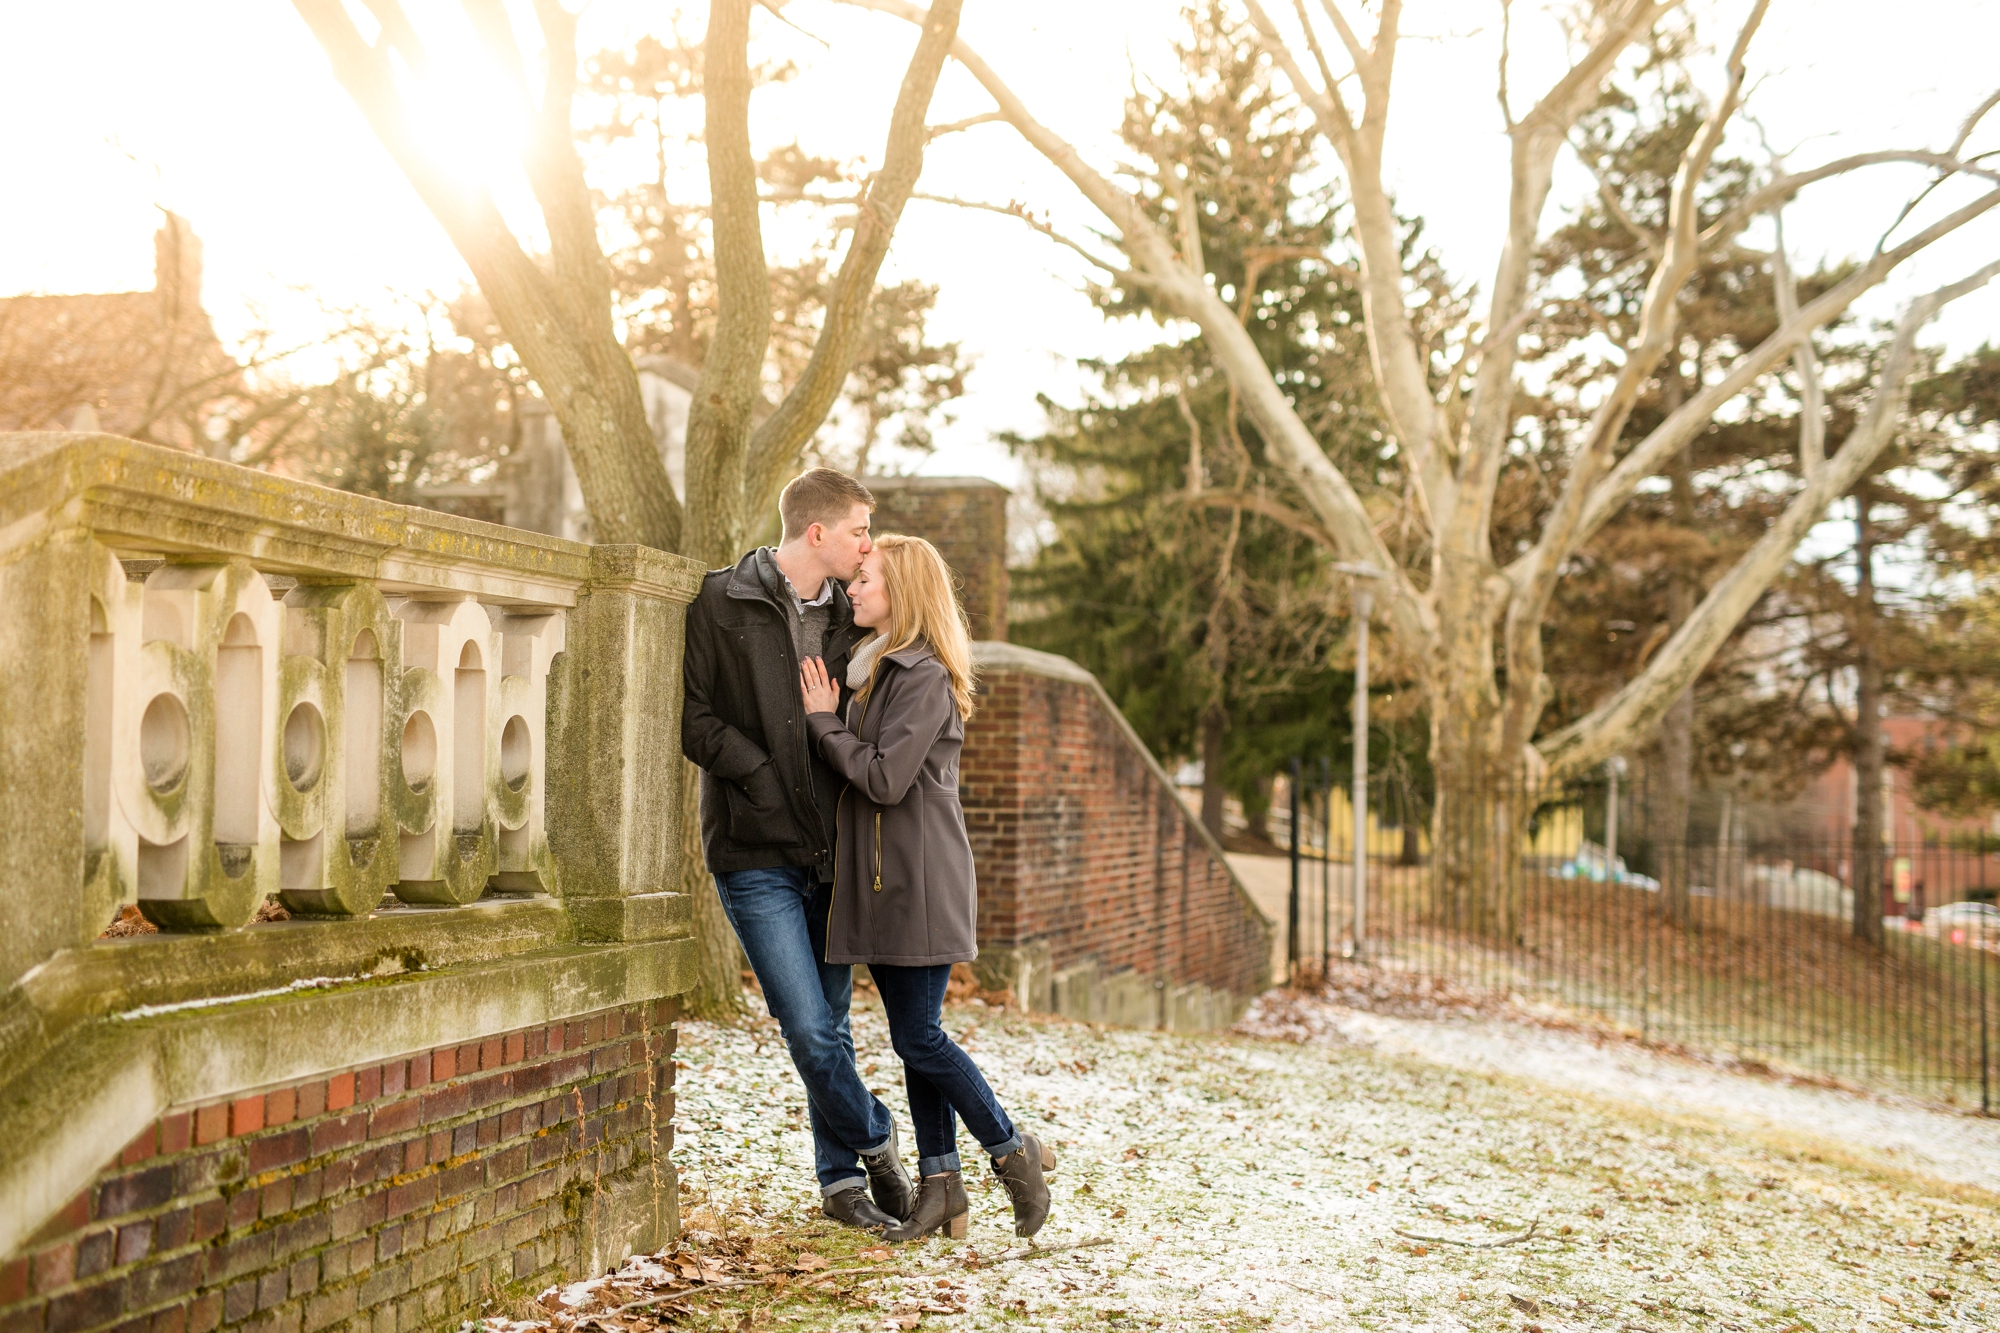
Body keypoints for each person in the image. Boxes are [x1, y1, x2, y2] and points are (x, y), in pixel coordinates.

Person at [799, 535, 1055, 1242]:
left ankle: (1012, 1151)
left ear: (903, 591)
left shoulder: (922, 675)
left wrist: (824, 722)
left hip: (921, 882)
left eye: (868, 579)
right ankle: (941, 1183)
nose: (855, 589)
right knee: (914, 1040)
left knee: (921, 1037)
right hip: (884, 885)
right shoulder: (875, 671)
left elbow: (884, 777)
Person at [680, 469, 915, 1232]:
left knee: (835, 1026)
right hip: (753, 852)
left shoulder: (858, 612)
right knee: (808, 1026)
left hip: (831, 855)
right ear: (817, 533)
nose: (867, 544)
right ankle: (876, 1139)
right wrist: (757, 774)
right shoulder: (722, 599)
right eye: (859, 529)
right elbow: (695, 719)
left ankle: (841, 1185)